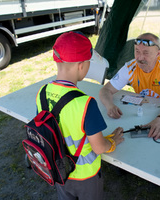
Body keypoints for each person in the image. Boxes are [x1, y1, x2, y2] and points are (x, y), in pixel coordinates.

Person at [36, 31, 124, 200]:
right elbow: (99, 147)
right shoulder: (85, 104)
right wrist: (112, 141)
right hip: (85, 176)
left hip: (58, 170)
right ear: (81, 65)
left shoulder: (42, 93)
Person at [99, 33, 160, 140]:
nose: (140, 57)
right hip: (141, 112)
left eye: (146, 53)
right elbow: (106, 89)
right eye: (137, 51)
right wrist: (109, 106)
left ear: (158, 53)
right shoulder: (130, 67)